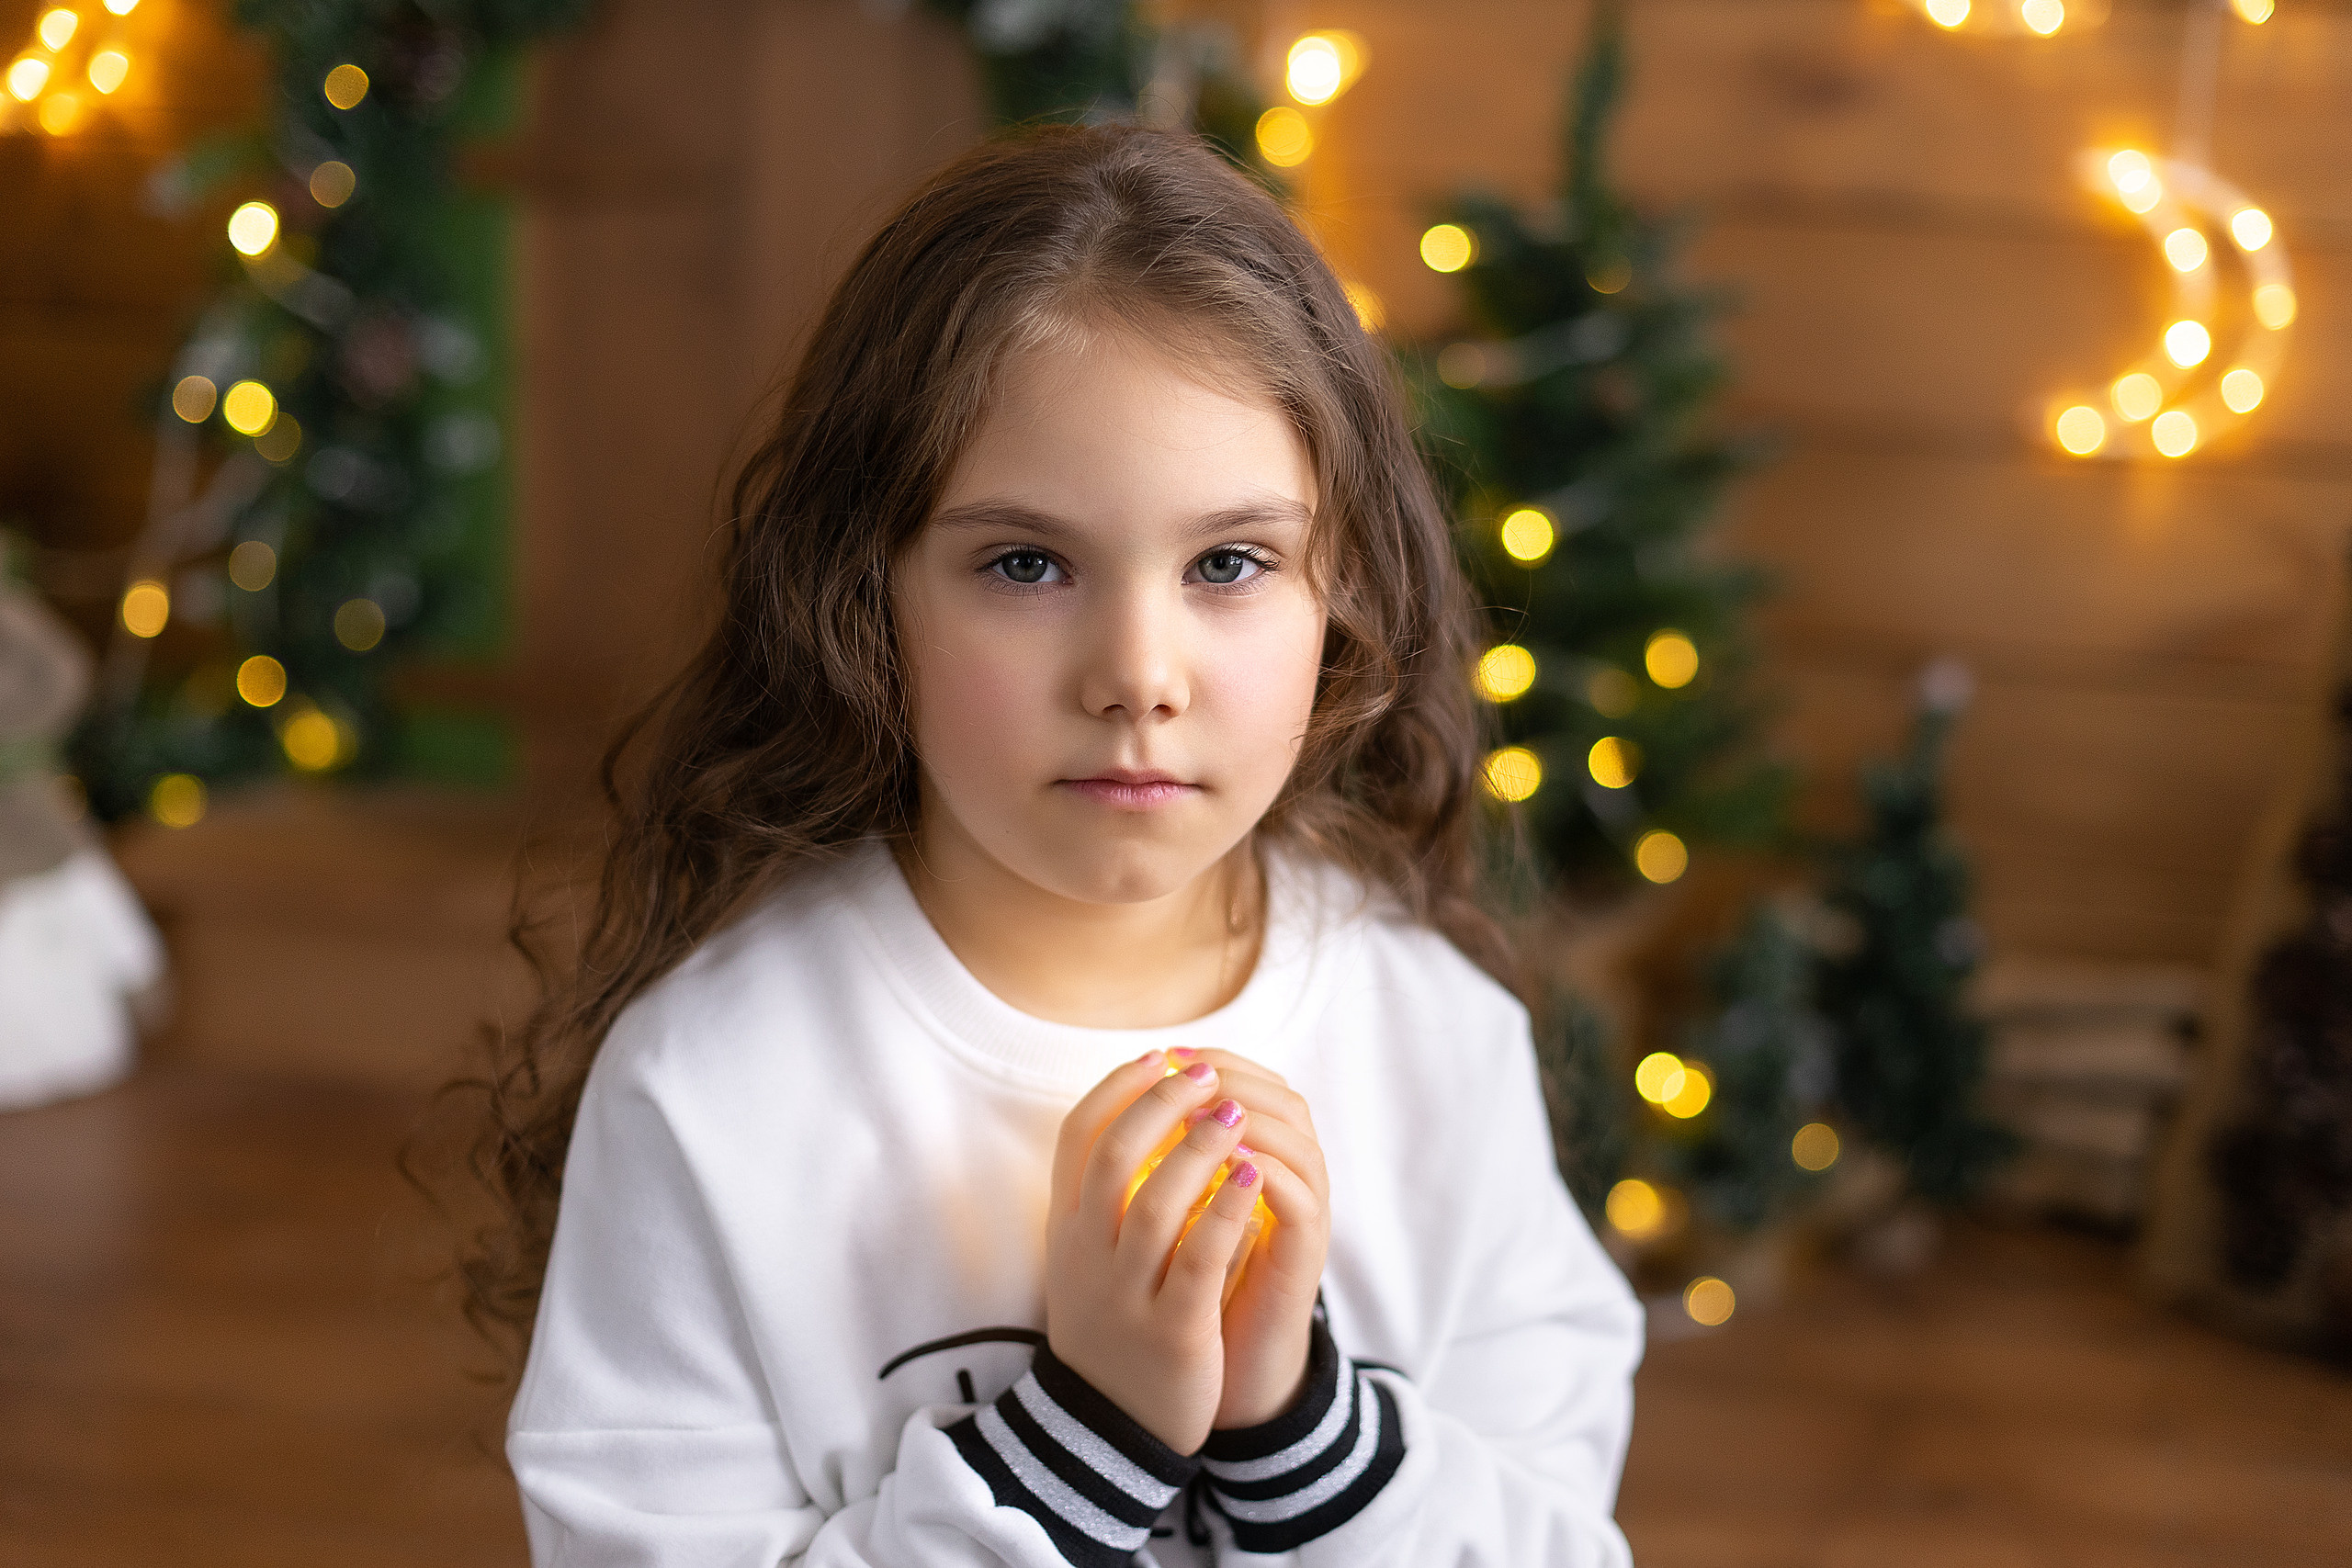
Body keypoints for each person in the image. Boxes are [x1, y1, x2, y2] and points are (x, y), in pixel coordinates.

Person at [472, 123, 1642, 1566]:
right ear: (866, 597)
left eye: (1229, 563)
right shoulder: (714, 1094)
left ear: (1343, 591)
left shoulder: (1437, 1045)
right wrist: (1085, 1434)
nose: (1137, 674)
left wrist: (1296, 1430)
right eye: (1026, 564)